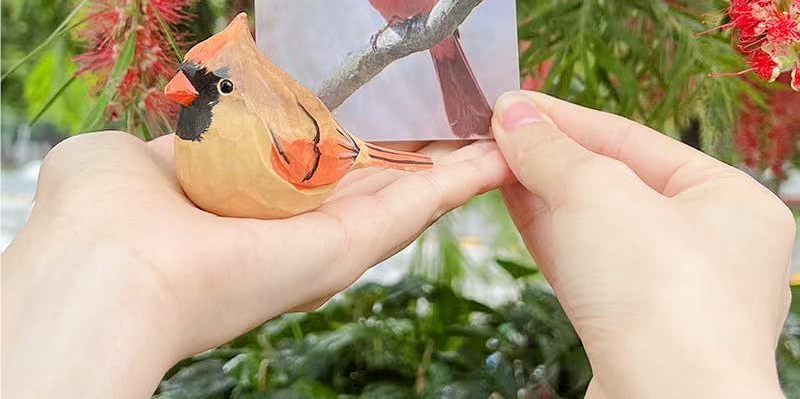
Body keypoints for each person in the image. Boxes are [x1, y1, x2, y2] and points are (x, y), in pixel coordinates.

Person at [2, 90, 794, 399]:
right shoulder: (200, 142)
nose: (181, 101)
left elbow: (322, 156)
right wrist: (105, 265)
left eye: (205, 92)